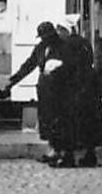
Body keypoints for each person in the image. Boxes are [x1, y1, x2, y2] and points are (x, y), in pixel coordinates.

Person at [5, 20, 64, 164]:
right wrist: (14, 81)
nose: (45, 39)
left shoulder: (62, 47)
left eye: (47, 36)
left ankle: (60, 152)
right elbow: (29, 65)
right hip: (45, 88)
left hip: (59, 89)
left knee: (59, 120)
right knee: (47, 120)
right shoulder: (40, 48)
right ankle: (51, 150)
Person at [56, 20, 102, 168]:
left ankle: (69, 156)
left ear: (67, 30)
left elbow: (68, 65)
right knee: (89, 122)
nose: (59, 33)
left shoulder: (67, 46)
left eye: (60, 30)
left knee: (70, 122)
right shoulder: (84, 42)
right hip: (89, 85)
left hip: (74, 87)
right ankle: (90, 155)